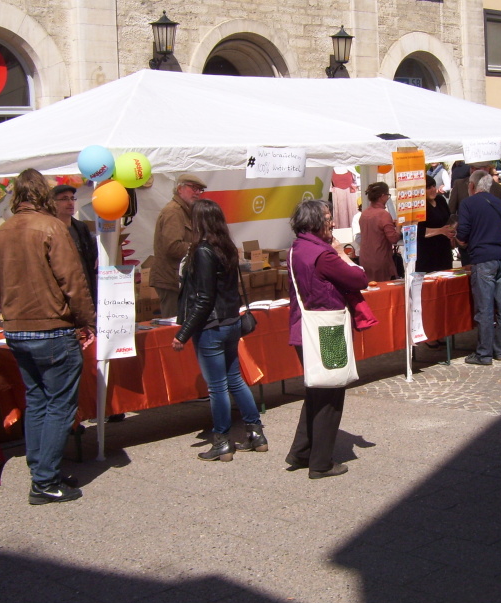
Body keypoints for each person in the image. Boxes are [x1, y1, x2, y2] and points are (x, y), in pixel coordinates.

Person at [0, 168, 95, 505]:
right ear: (42, 195)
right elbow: (73, 280)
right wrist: (87, 321)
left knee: (37, 400)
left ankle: (42, 470)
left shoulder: (3, 231)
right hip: (50, 328)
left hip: (18, 328)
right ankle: (45, 479)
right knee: (59, 405)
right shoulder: (51, 226)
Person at [172, 200, 266, 462]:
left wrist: (183, 333)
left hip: (212, 326)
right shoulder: (226, 247)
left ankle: (222, 440)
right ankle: (255, 433)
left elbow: (204, 299)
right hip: (230, 321)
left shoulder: (203, 251)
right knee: (234, 379)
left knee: (218, 387)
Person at [285, 200, 369, 479]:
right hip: (326, 330)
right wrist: (341, 252)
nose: (332, 223)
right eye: (328, 217)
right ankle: (320, 463)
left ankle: (301, 452)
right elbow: (359, 279)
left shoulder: (297, 247)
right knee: (329, 396)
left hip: (304, 328)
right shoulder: (323, 255)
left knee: (316, 392)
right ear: (315, 222)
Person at [456, 169, 501, 365]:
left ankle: (484, 353)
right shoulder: (499, 202)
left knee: (485, 308)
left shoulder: (468, 203)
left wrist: (460, 240)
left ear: (472, 185)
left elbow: (463, 233)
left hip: (484, 257)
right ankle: (500, 350)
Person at [152, 174, 207, 317]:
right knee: (174, 323)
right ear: (179, 189)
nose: (197, 192)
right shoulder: (174, 211)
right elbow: (173, 247)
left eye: (199, 189)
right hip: (171, 279)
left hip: (178, 278)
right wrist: (202, 250)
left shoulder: (186, 210)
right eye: (193, 188)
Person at [51, 184, 97, 301]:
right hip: (62, 292)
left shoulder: (81, 228)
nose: (70, 203)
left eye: (72, 198)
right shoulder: (49, 229)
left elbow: (91, 257)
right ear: (53, 203)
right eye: (64, 199)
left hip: (85, 288)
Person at [358, 182, 400, 281]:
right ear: (382, 196)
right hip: (380, 259)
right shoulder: (383, 214)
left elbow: (375, 230)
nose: (388, 198)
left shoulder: (364, 213)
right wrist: (399, 226)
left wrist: (390, 224)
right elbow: (393, 238)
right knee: (383, 288)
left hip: (365, 259)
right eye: (388, 195)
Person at [416, 175, 455, 273]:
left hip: (444, 250)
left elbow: (449, 218)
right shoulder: (419, 206)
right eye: (429, 187)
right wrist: (441, 231)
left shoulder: (440, 200)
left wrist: (452, 231)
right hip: (427, 253)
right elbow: (418, 230)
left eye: (434, 186)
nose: (433, 189)